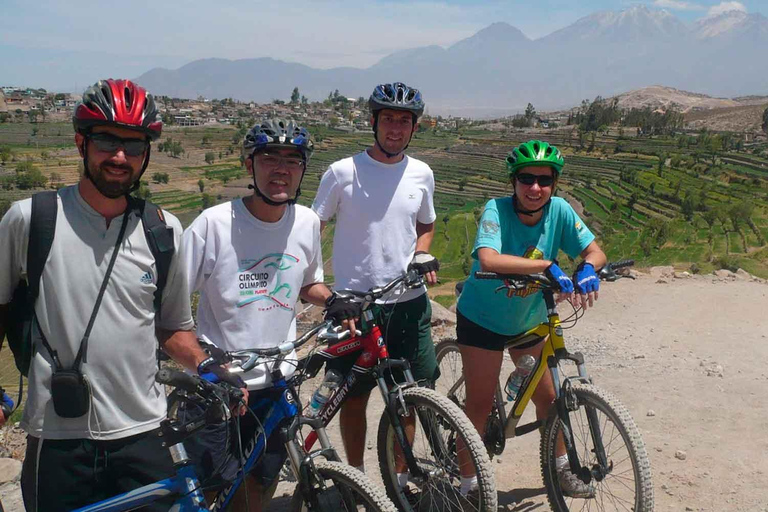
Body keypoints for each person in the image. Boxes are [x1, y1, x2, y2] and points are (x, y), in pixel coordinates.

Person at [0, 79, 229, 511]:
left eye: (135, 145)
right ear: (81, 143)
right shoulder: (31, 219)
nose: (120, 157)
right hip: (58, 434)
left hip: (143, 432)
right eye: (107, 140)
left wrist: (209, 366)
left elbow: (174, 328)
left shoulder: (163, 231)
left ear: (147, 154)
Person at [181, 119, 358, 512]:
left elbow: (306, 281)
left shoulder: (308, 223)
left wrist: (331, 300)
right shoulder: (212, 225)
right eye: (269, 158)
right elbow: (172, 303)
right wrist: (198, 359)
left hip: (277, 381)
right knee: (213, 491)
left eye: (293, 160)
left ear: (303, 170)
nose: (282, 168)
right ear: (249, 165)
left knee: (261, 482)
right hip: (220, 384)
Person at [312, 82, 444, 492]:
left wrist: (422, 253)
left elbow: (426, 223)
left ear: (414, 127)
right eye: (388, 119)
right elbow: (312, 228)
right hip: (354, 308)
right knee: (354, 398)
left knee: (410, 391)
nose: (395, 128)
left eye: (404, 121)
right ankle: (355, 478)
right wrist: (315, 285)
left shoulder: (422, 173)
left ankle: (400, 474)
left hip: (408, 301)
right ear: (373, 122)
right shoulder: (342, 172)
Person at [455, 140, 607, 498]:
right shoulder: (496, 209)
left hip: (528, 319)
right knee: (477, 405)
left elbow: (595, 250)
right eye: (526, 178)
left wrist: (588, 266)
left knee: (550, 399)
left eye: (544, 180)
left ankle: (561, 471)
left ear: (554, 184)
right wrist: (545, 265)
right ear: (514, 182)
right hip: (482, 320)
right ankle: (468, 486)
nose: (535, 188)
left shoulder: (560, 211)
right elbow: (489, 259)